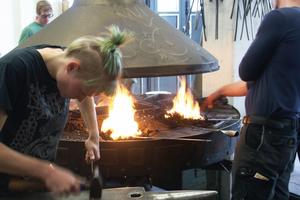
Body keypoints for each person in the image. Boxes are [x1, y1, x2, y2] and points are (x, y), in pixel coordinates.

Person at [0, 24, 134, 197]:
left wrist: (93, 134)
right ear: (71, 68)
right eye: (82, 92)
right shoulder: (13, 70)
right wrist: (47, 172)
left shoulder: (71, 59)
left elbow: (85, 95)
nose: (80, 99)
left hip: (35, 182)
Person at [202, 0, 300, 199]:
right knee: (277, 194)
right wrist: (221, 91)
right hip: (286, 136)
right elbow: (254, 83)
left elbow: (247, 72)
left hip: (264, 137)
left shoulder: (281, 18)